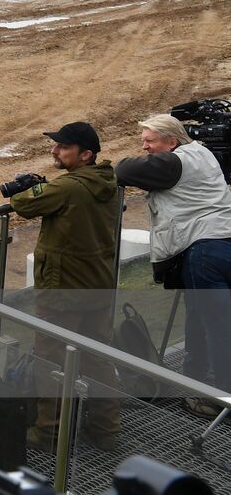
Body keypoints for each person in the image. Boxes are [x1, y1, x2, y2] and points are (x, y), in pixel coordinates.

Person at [8, 121, 122, 450]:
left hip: (63, 290)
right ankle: (106, 428)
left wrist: (27, 188)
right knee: (98, 359)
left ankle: (49, 432)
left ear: (85, 155)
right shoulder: (106, 179)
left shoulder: (69, 186)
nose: (54, 151)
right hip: (97, 284)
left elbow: (23, 204)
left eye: (63, 147)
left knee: (51, 361)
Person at [115, 114, 231, 407]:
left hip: (204, 253)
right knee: (202, 320)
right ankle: (194, 380)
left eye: (150, 141)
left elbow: (124, 169)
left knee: (216, 328)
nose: (144, 147)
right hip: (221, 244)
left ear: (172, 142)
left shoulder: (175, 162)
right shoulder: (203, 153)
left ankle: (221, 401)